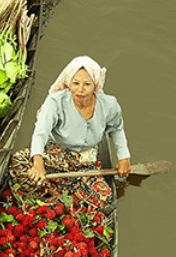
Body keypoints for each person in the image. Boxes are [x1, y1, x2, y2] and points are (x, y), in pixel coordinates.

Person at [10, 56, 131, 207]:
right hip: (57, 153)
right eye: (75, 83)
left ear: (95, 84)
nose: (80, 89)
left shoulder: (109, 104)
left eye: (87, 84)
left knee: (104, 197)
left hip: (86, 161)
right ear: (68, 82)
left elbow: (117, 129)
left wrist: (124, 157)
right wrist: (38, 162)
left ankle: (57, 190)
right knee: (18, 161)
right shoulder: (55, 102)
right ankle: (61, 193)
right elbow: (41, 132)